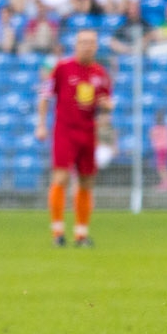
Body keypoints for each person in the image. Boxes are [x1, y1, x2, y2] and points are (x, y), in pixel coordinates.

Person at [35, 29, 112, 247]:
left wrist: (107, 107)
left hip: (88, 131)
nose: (87, 46)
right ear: (76, 45)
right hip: (65, 130)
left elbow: (104, 101)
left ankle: (81, 234)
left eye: (91, 42)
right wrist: (41, 124)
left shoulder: (100, 74)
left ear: (96, 46)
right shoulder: (62, 68)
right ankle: (57, 232)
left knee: (87, 180)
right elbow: (45, 95)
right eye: (83, 42)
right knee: (61, 178)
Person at [150, 108, 167, 192]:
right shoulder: (166, 128)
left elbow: (152, 138)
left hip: (161, 149)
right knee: (161, 166)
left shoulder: (155, 129)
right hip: (165, 148)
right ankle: (165, 181)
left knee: (161, 166)